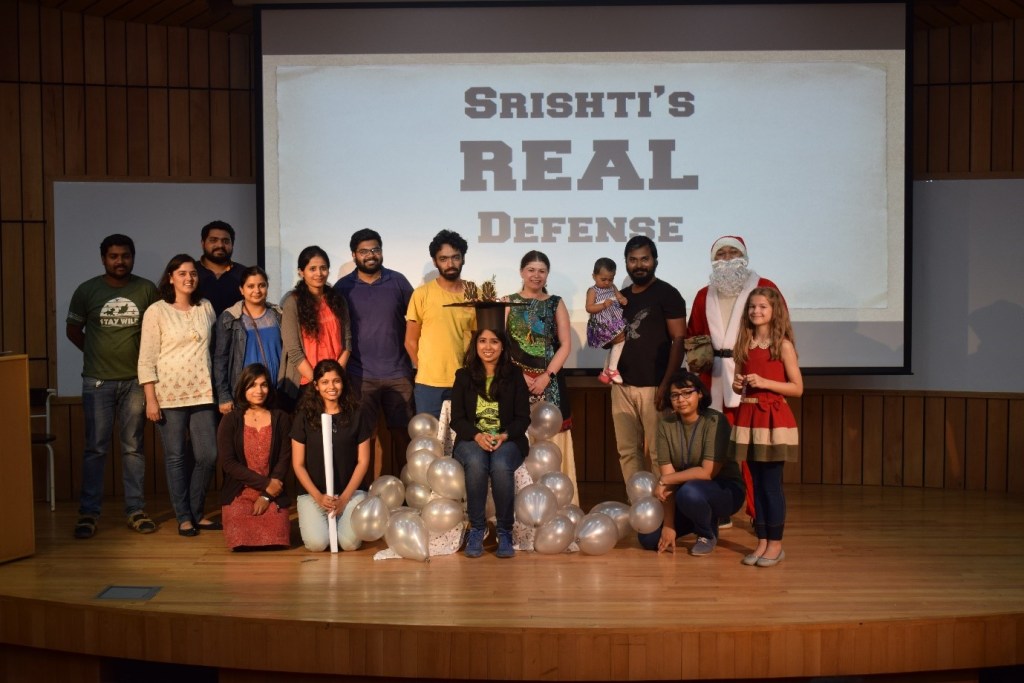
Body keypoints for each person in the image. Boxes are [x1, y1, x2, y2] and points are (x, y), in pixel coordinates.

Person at [686, 235, 784, 525]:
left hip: (752, 378)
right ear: (713, 260)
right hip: (712, 380)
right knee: (716, 449)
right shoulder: (703, 295)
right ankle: (721, 509)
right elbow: (694, 336)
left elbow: (780, 332)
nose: (727, 258)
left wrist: (769, 376)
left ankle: (758, 512)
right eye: (721, 254)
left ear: (745, 256)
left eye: (733, 252)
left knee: (753, 450)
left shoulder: (765, 288)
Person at [66, 234, 160, 539]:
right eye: (114, 256)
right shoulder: (87, 290)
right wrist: (97, 353)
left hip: (136, 382)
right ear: (103, 259)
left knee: (133, 447)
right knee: (95, 448)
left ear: (133, 257)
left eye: (125, 256)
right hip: (97, 382)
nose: (120, 261)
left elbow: (158, 331)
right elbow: (73, 330)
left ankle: (135, 511)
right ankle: (88, 514)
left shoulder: (146, 289)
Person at [138, 253, 219, 537]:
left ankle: (196, 511)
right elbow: (146, 358)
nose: (189, 278)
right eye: (182, 273)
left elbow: (214, 349)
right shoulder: (156, 311)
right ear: (171, 277)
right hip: (168, 395)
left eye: (193, 273)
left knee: (208, 455)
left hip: (203, 392)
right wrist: (151, 398)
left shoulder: (206, 307)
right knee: (176, 457)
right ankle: (184, 517)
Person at [334, 229, 415, 479]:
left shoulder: (398, 282)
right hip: (359, 375)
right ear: (354, 255)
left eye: (375, 249)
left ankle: (409, 490)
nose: (371, 255)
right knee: (363, 438)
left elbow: (418, 322)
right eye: (364, 251)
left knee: (404, 435)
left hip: (399, 373)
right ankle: (363, 493)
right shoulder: (343, 287)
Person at [730, 287, 802, 567]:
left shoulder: (782, 345)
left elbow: (797, 388)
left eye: (762, 306)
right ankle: (761, 541)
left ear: (774, 311)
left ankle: (776, 544)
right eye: (752, 306)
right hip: (749, 418)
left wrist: (765, 382)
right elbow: (738, 384)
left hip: (773, 419)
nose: (756, 311)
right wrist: (738, 385)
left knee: (771, 485)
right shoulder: (743, 343)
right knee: (756, 485)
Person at [638, 371, 744, 557]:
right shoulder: (666, 426)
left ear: (700, 393)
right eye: (675, 395)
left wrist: (665, 479)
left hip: (725, 491)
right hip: (687, 494)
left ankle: (706, 534)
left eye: (687, 393)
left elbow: (707, 472)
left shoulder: (715, 421)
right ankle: (700, 518)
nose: (681, 399)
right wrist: (669, 525)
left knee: (689, 492)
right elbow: (668, 480)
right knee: (648, 538)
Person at [611, 235, 687, 484]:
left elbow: (679, 341)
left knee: (659, 454)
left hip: (655, 386)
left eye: (644, 259)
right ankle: (637, 503)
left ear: (655, 261)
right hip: (621, 386)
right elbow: (609, 340)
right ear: (626, 263)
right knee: (627, 452)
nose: (639, 265)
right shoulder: (620, 298)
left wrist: (666, 384)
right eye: (633, 260)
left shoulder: (668, 294)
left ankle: (662, 505)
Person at [450, 328, 531, 559]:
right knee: (476, 462)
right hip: (471, 439)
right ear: (475, 345)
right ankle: (477, 529)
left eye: (494, 342)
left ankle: (505, 531)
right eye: (482, 341)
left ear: (503, 346)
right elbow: (457, 419)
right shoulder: (463, 376)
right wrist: (477, 436)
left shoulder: (514, 375)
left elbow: (523, 418)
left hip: (508, 439)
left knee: (501, 464)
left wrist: (504, 436)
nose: (488, 347)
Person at [505, 250, 578, 504]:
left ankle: (557, 505)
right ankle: (519, 508)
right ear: (521, 272)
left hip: (550, 383)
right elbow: (500, 345)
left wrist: (547, 376)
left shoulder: (556, 303)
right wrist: (518, 375)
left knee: (550, 446)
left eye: (542, 271)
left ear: (547, 274)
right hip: (515, 384)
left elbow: (565, 345)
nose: (536, 275)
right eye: (531, 270)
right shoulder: (508, 302)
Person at [291, 359, 371, 552]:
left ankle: (340, 522)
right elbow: (298, 464)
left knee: (349, 544)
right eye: (325, 382)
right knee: (317, 544)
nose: (331, 387)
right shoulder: (304, 416)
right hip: (314, 494)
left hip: (350, 493)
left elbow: (363, 461)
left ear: (343, 383)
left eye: (336, 381)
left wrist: (344, 498)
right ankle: (324, 524)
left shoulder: (356, 415)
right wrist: (319, 497)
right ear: (316, 386)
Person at [217, 363, 292, 550]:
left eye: (263, 385)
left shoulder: (281, 418)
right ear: (243, 388)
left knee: (278, 534)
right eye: (252, 385)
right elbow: (228, 463)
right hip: (240, 492)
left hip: (272, 493)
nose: (259, 391)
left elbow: (284, 459)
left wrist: (267, 495)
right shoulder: (230, 420)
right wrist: (266, 484)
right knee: (239, 536)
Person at [405, 230, 476, 418]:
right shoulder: (422, 294)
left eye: (455, 257)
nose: (450, 264)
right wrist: (425, 369)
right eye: (443, 259)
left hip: (465, 381)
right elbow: (410, 341)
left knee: (465, 435)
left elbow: (480, 338)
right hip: (429, 385)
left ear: (463, 259)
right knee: (430, 434)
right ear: (435, 261)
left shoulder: (474, 292)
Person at [280, 246, 352, 404]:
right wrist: (319, 383)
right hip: (306, 383)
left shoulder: (338, 299)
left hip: (335, 384)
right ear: (301, 272)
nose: (319, 273)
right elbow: (294, 351)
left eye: (323, 268)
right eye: (312, 269)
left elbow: (347, 342)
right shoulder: (292, 302)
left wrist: (334, 379)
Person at [213, 266, 284, 415]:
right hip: (244, 392)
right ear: (241, 290)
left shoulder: (279, 314)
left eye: (262, 285)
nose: (257, 290)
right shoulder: (230, 318)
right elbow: (220, 359)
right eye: (251, 286)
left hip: (278, 391)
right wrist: (224, 395)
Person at [584, 257, 628, 385]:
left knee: (617, 342)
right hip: (602, 324)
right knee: (620, 340)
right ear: (594, 276)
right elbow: (589, 308)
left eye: (611, 279)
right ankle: (612, 369)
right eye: (603, 279)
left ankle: (605, 373)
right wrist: (603, 305)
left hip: (614, 320)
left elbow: (619, 296)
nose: (607, 283)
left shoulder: (612, 287)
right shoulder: (592, 291)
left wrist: (622, 299)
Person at [195, 220, 245, 316]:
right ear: (203, 243)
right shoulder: (191, 272)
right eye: (213, 240)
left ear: (232, 244)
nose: (220, 245)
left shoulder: (245, 274)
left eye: (226, 241)